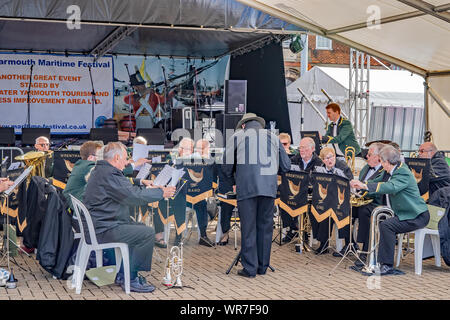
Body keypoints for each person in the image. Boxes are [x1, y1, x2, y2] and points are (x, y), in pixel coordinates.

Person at [83, 142, 176, 292]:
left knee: (139, 228)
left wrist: (145, 187)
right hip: (103, 228)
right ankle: (130, 279)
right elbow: (132, 195)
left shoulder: (102, 170)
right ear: (117, 157)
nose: (127, 163)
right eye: (126, 158)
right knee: (146, 233)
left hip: (101, 224)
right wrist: (161, 193)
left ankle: (124, 274)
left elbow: (126, 188)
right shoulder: (108, 173)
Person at [224, 113, 291, 277]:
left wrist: (233, 177)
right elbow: (286, 165)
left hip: (246, 188)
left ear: (244, 125)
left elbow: (225, 166)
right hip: (268, 190)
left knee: (248, 228)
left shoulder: (238, 136)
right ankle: (262, 267)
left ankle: (250, 268)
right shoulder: (274, 137)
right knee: (265, 228)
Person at [351, 145, 430, 275]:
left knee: (387, 226)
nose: (380, 164)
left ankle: (387, 265)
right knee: (382, 222)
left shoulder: (402, 172)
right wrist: (360, 185)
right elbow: (376, 181)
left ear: (386, 162)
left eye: (381, 161)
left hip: (416, 215)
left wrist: (365, 185)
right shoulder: (390, 171)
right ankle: (373, 258)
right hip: (404, 214)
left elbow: (391, 187)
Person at [281, 137, 323, 243]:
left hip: (311, 193)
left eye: (304, 148)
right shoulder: (295, 159)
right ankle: (293, 227)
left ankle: (303, 231)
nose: (301, 150)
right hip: (296, 192)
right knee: (282, 200)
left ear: (312, 149)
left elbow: (317, 181)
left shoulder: (318, 162)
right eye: (300, 148)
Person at [352, 142, 385, 265]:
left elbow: (378, 190)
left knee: (364, 211)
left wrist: (362, 189)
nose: (366, 157)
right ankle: (350, 244)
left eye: (369, 155)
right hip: (363, 200)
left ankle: (365, 250)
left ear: (378, 157)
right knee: (344, 207)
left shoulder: (384, 171)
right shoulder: (366, 168)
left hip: (377, 203)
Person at [63, 141, 103, 209]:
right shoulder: (89, 166)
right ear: (91, 158)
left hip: (75, 207)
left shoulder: (81, 165)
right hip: (79, 211)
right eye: (100, 155)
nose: (103, 158)